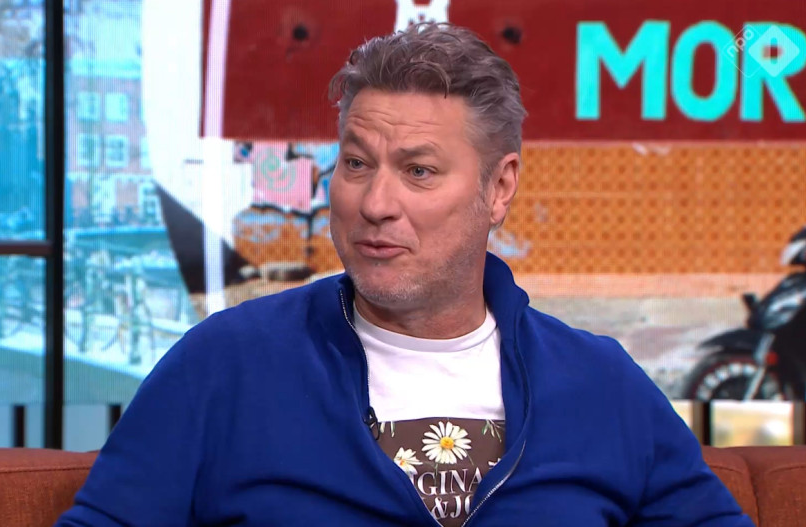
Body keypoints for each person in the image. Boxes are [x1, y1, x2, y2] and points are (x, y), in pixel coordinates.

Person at [56, 23, 753, 526]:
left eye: (418, 171)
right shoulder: (224, 366)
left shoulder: (601, 384)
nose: (375, 203)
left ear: (499, 187)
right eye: (357, 163)